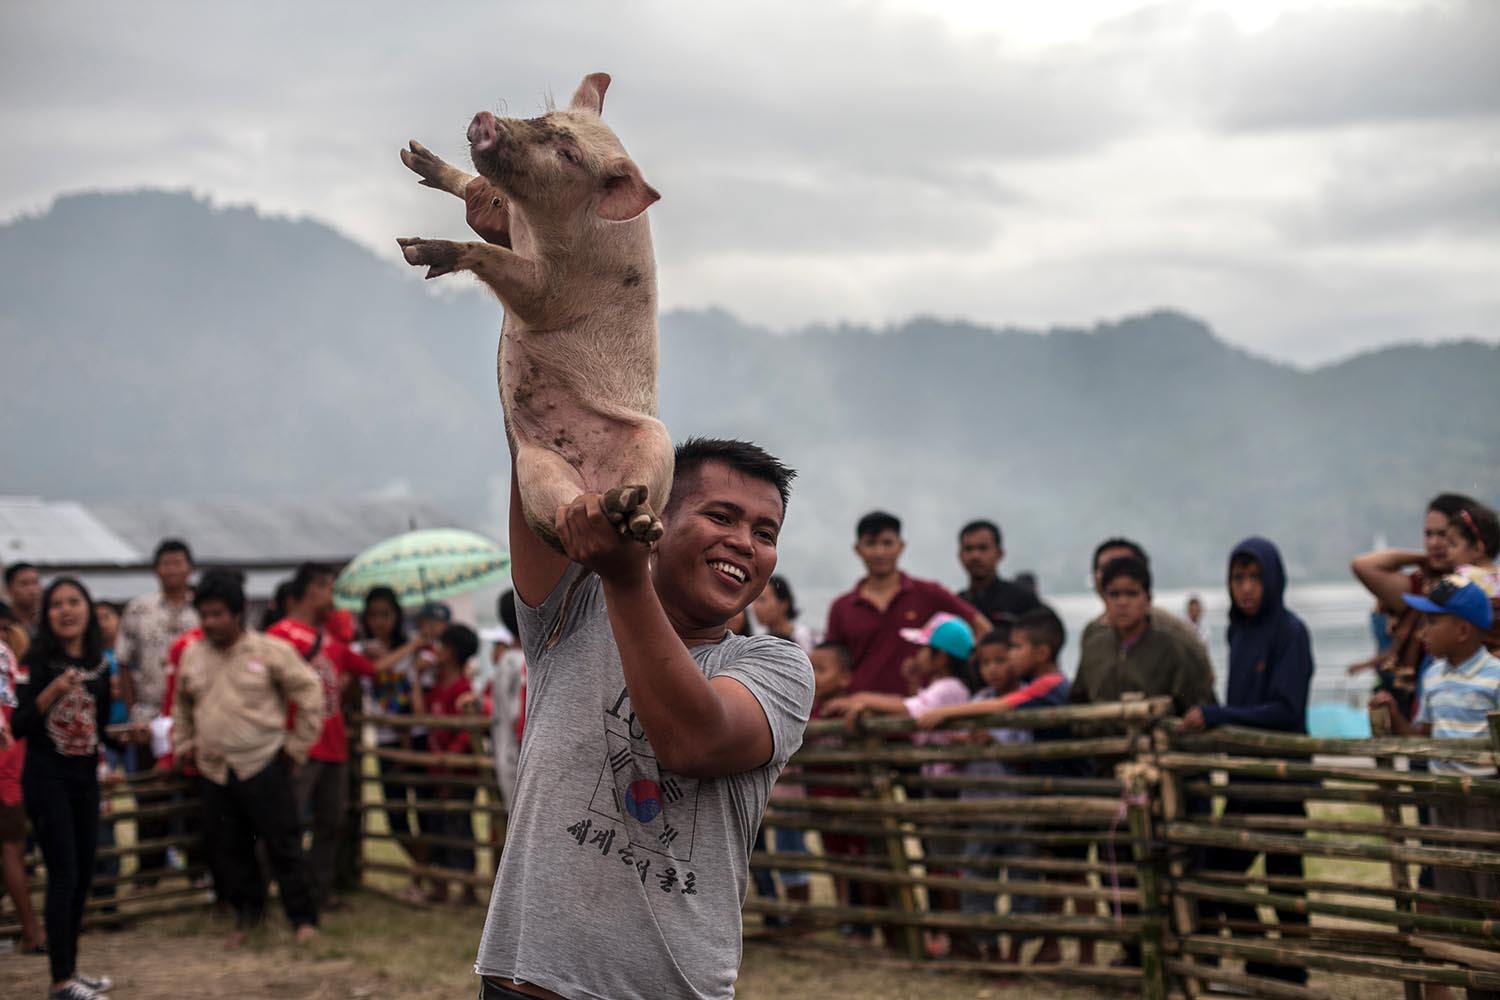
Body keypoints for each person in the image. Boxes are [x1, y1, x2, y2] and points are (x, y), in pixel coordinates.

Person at [474, 437, 814, 1000]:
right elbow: (540, 441)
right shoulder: (574, 608)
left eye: (765, 533)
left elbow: (694, 742)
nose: (744, 543)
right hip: (525, 983)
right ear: (654, 518)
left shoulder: (774, 667)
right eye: (721, 516)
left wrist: (625, 577)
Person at [1181, 538, 1313, 986]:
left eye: (1255, 577)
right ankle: (1263, 961)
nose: (1247, 588)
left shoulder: (1290, 631)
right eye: (1238, 578)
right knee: (1223, 872)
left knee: (1283, 878)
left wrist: (1219, 716)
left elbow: (1286, 710)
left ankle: (1291, 970)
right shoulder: (1238, 632)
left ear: (1273, 578)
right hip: (1245, 776)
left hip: (1281, 775)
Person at [172, 569, 323, 946]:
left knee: (284, 844)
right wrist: (183, 742)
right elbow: (182, 707)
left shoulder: (269, 651)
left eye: (218, 614)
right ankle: (247, 918)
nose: (210, 622)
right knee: (229, 848)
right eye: (204, 615)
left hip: (265, 761)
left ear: (238, 613)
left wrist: (296, 748)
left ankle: (303, 919)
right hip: (214, 769)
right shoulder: (191, 655)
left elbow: (310, 694)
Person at [1372, 573, 1500, 1000]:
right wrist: (1395, 715)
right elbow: (1424, 739)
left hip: (1486, 810)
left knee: (1491, 905)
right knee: (1456, 909)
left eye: (1432, 623)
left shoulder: (1496, 678)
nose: (1423, 632)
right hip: (1444, 807)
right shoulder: (1433, 677)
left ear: (1462, 630)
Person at [11, 577, 129, 1000]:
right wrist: (51, 693)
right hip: (47, 780)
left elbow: (95, 729)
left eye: (74, 602)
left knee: (80, 878)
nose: (66, 610)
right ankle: (60, 982)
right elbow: (17, 725)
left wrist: (124, 738)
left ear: (87, 609)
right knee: (63, 876)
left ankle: (72, 970)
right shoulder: (37, 660)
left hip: (84, 780)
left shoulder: (100, 664)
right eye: (57, 604)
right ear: (48, 615)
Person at [266, 562, 374, 911]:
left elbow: (370, 669)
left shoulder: (330, 638)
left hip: (334, 744)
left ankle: (318, 893)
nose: (333, 597)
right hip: (298, 744)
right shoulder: (279, 635)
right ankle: (276, 892)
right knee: (286, 820)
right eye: (329, 588)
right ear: (313, 589)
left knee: (330, 822)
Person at [825, 511, 989, 698]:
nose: (880, 552)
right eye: (871, 543)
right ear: (857, 549)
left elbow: (982, 628)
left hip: (922, 715)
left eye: (887, 543)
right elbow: (832, 664)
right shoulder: (841, 607)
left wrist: (963, 670)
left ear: (901, 546)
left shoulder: (929, 593)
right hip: (859, 716)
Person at [1072, 555, 1216, 717]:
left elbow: (1195, 703)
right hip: (1102, 739)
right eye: (1114, 594)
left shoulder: (1172, 647)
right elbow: (1079, 700)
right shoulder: (1094, 645)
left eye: (1132, 594)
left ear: (1148, 599)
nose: (1122, 602)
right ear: (1105, 599)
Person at [0, 609, 45, 955]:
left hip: (9, 768)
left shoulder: (8, 658)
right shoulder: (13, 659)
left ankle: (31, 932)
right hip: (11, 768)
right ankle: (31, 932)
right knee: (11, 852)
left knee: (11, 852)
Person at [426, 623, 481, 905]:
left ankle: (468, 887)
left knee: (460, 826)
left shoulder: (463, 689)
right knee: (439, 827)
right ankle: (442, 885)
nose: (438, 651)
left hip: (458, 773)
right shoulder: (436, 685)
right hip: (438, 769)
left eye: (443, 646)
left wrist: (450, 758)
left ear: (453, 652)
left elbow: (465, 731)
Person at [956, 520, 1041, 627]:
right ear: (960, 555)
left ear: (1000, 553)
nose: (975, 556)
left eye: (983, 548)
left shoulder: (1023, 600)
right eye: (969, 549)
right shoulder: (956, 604)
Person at [751, 575, 818, 655]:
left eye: (762, 600)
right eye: (754, 600)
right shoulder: (759, 641)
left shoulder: (808, 639)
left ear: (783, 604)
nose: (755, 606)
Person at [4, 563, 43, 635]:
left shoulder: (47, 622)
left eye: (35, 582)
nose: (32, 590)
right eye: (24, 584)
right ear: (8, 589)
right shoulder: (4, 624)